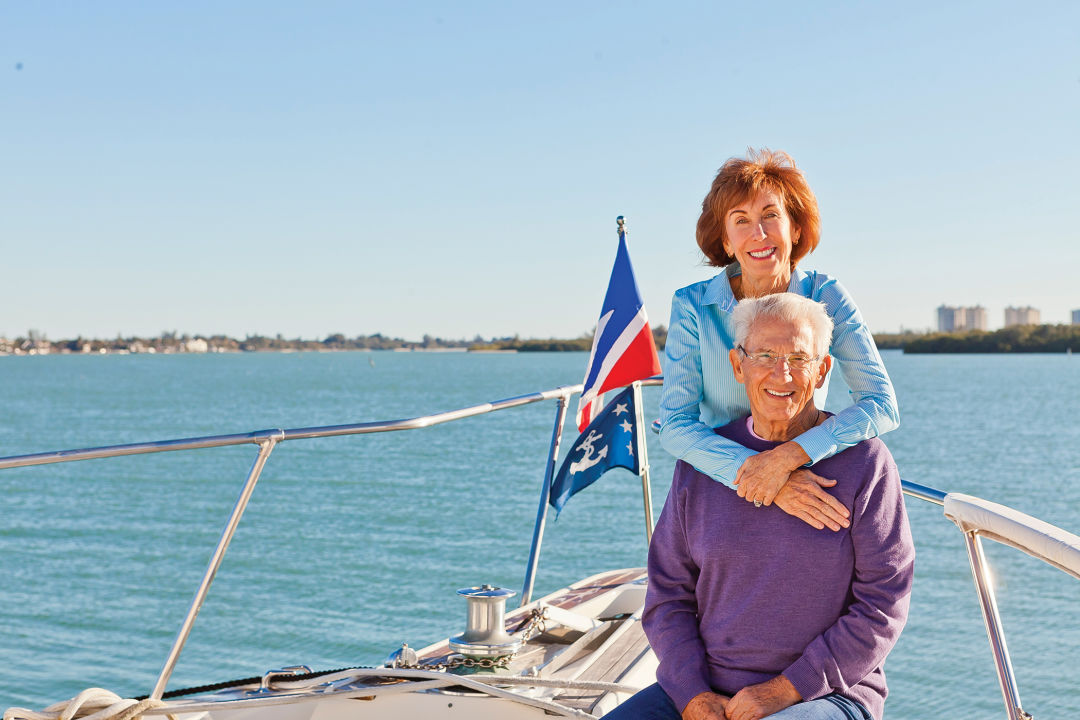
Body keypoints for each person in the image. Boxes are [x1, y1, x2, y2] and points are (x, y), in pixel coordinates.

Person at [612, 294, 915, 720]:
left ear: (823, 368)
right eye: (766, 355)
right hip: (704, 691)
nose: (782, 372)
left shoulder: (866, 463)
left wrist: (785, 689)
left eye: (799, 357)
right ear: (739, 365)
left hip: (826, 694)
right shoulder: (702, 464)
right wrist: (693, 695)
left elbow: (883, 604)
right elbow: (667, 597)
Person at [659, 149, 898, 531]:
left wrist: (788, 458)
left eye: (771, 215)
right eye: (741, 220)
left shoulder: (827, 294)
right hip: (724, 476)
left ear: (796, 229)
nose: (759, 233)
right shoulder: (691, 305)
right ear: (725, 241)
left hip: (808, 469)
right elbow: (674, 425)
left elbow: (881, 404)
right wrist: (759, 475)